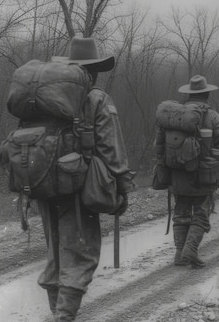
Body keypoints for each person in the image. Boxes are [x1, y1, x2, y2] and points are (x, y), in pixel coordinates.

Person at [40, 37, 135, 321]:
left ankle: (60, 313)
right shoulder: (97, 99)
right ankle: (63, 317)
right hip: (79, 189)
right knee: (80, 256)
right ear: (92, 71)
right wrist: (122, 189)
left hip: (44, 186)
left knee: (56, 254)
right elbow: (112, 150)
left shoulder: (47, 98)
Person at [155, 75, 219, 268]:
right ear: (207, 94)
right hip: (203, 176)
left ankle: (179, 253)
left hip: (176, 175)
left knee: (180, 213)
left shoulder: (174, 116)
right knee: (201, 213)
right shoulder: (212, 116)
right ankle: (190, 250)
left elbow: (159, 147)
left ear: (189, 94)